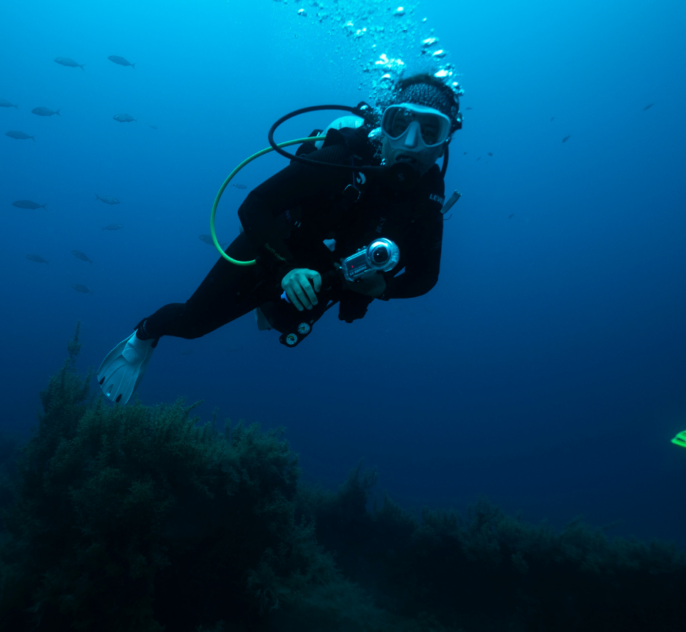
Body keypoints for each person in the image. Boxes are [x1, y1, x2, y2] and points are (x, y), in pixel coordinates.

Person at [97, 72, 462, 404]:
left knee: (282, 322)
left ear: (446, 142)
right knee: (192, 324)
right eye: (399, 124)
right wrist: (286, 268)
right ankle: (142, 336)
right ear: (383, 124)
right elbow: (254, 205)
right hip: (273, 248)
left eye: (430, 131)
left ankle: (269, 305)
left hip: (324, 274)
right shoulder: (342, 160)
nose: (411, 143)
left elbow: (425, 277)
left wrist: (381, 288)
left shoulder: (428, 195)